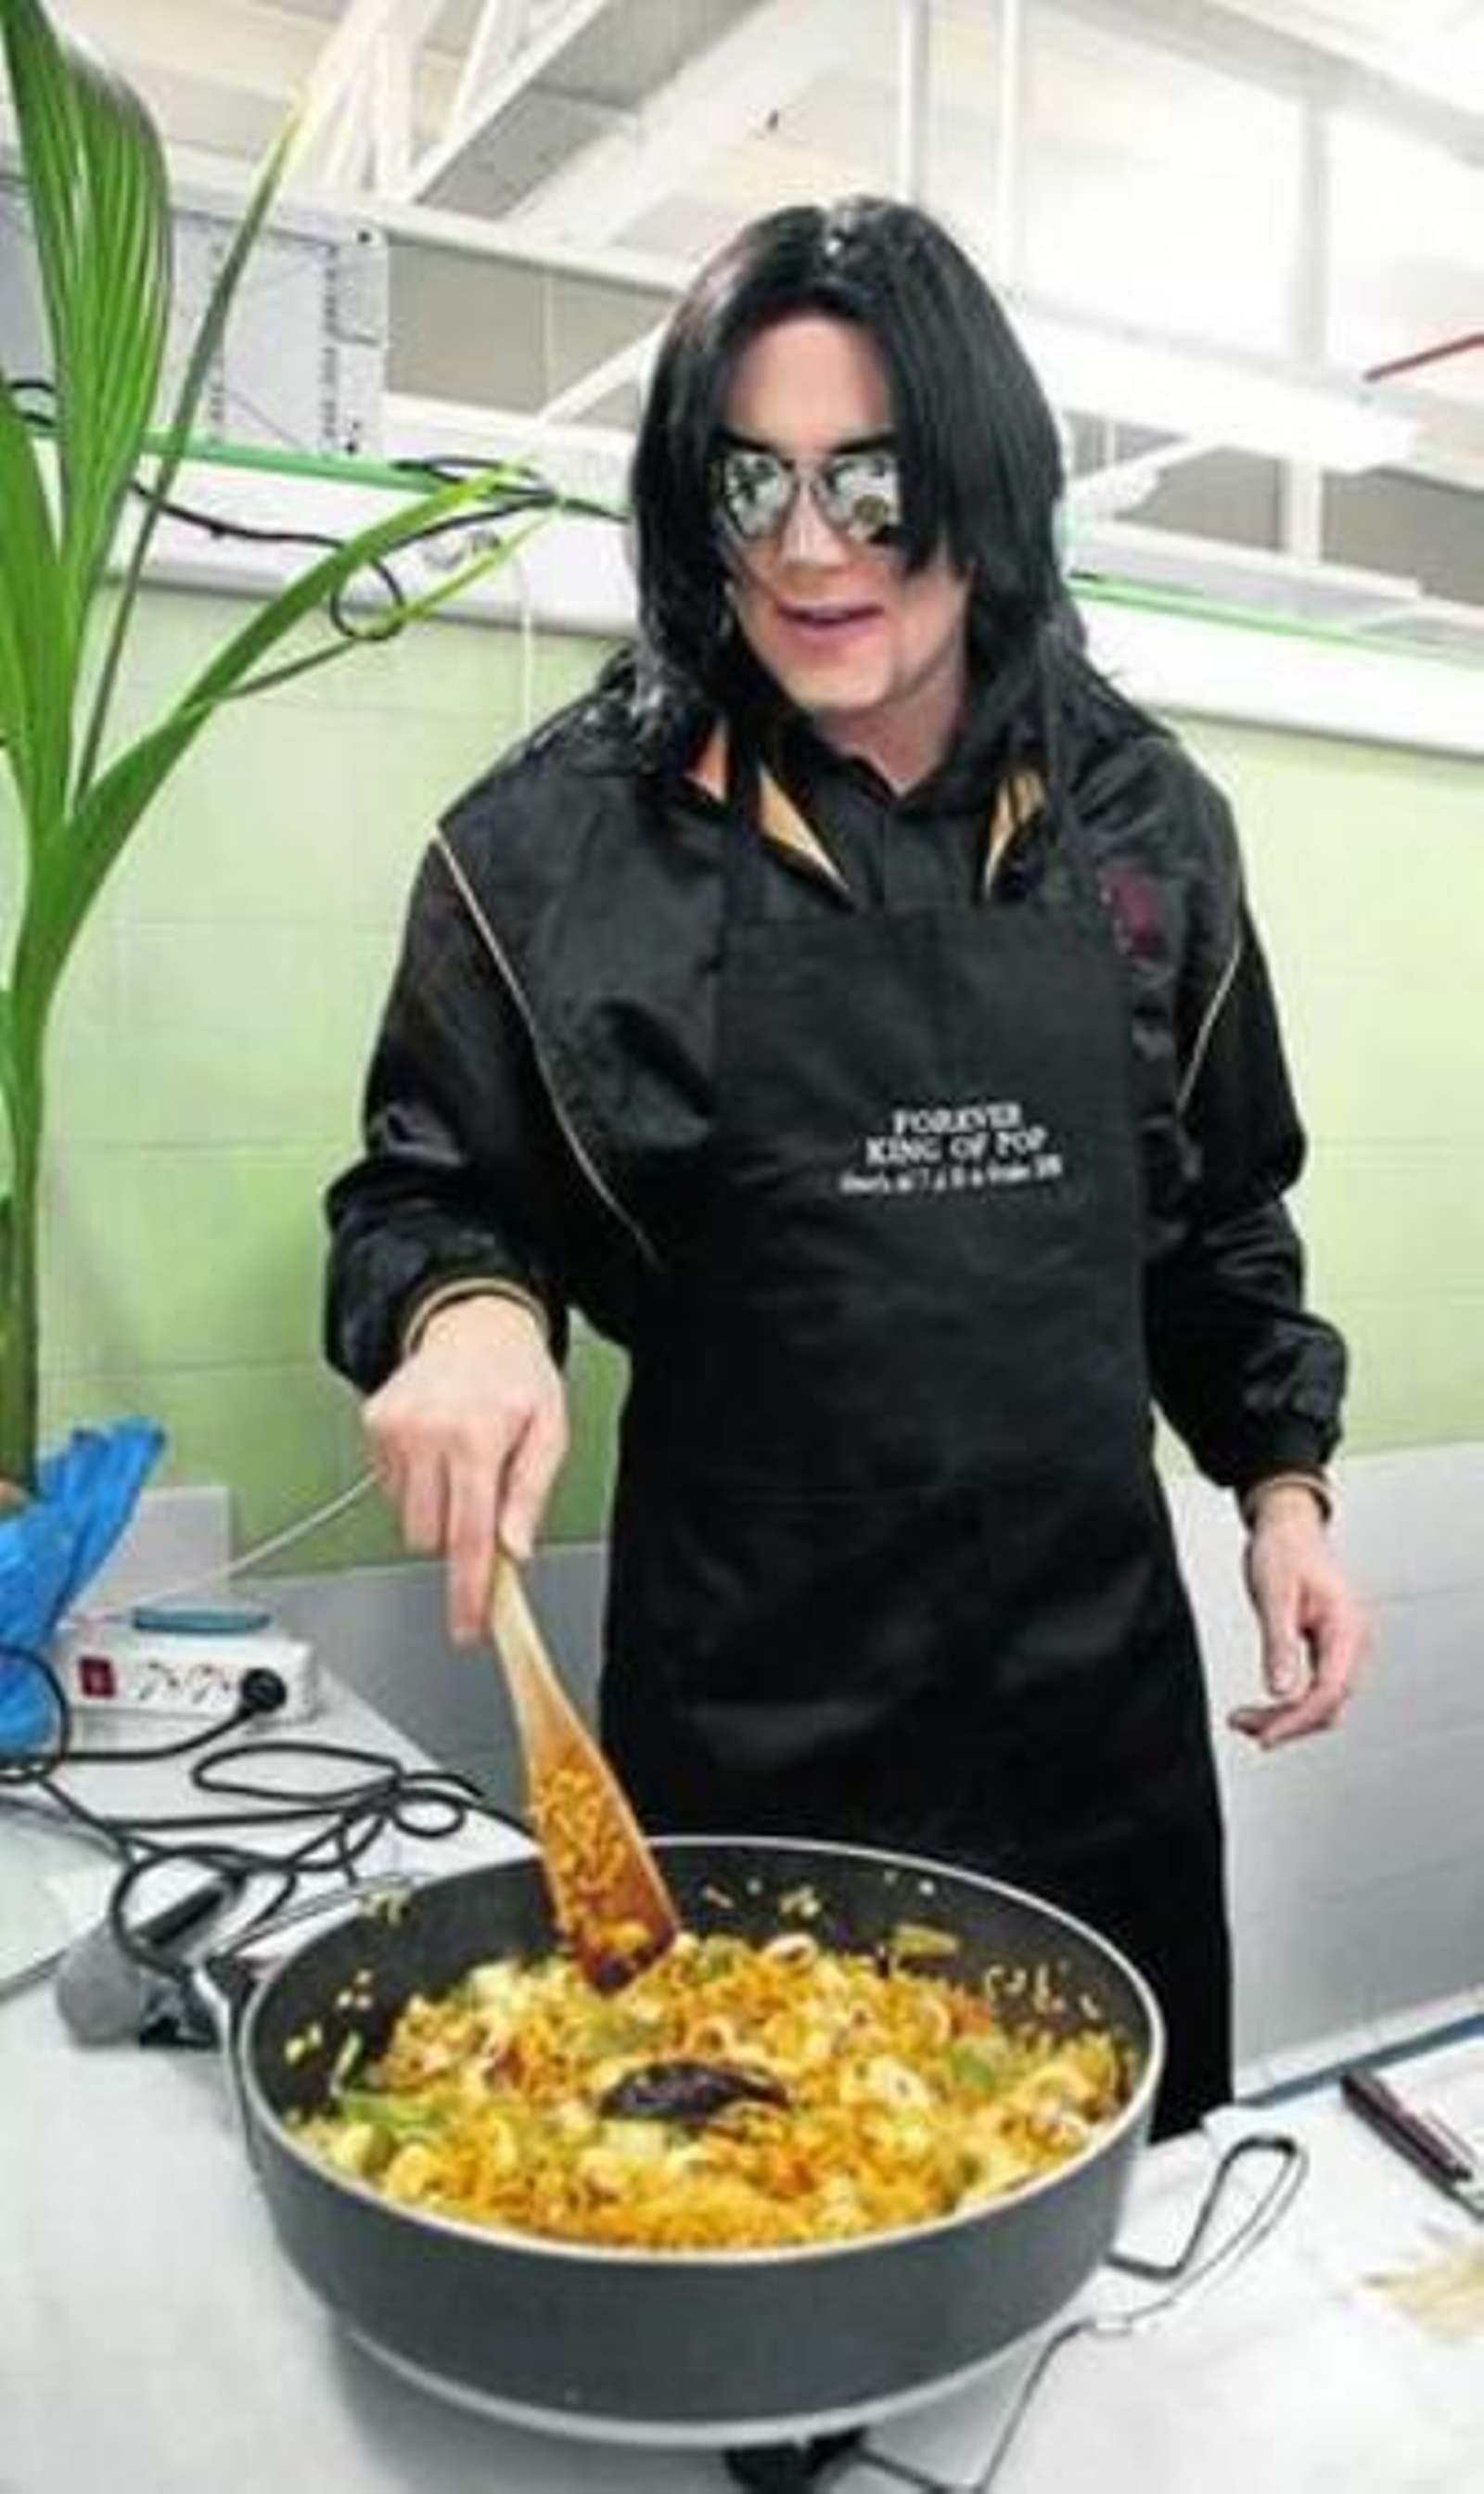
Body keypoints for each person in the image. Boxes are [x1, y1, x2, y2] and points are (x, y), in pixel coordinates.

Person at [325, 195, 1368, 2136]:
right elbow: (423, 1188)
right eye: (751, 483)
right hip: (746, 1747)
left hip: (1090, 1739)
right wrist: (468, 1313)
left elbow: (1218, 1216)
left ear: (987, 481)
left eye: (872, 482)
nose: (807, 550)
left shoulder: (1149, 831)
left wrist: (1280, 1489)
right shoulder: (551, 854)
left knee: (1120, 2298)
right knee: (753, 2265)